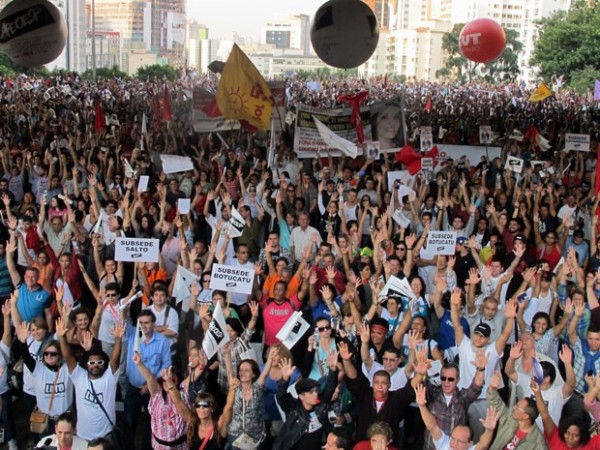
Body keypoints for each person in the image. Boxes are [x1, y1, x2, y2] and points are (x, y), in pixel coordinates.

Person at [56, 316, 124, 442]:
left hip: (106, 436)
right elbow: (68, 357)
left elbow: (115, 360)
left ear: (104, 364)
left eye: (99, 362)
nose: (95, 365)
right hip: (83, 437)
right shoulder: (79, 376)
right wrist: (62, 337)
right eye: (92, 363)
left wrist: (118, 339)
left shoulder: (109, 378)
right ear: (87, 365)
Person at [273, 352, 339, 450]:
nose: (315, 394)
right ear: (301, 396)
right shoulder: (293, 409)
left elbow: (330, 386)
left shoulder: (320, 403)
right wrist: (285, 379)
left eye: (316, 391)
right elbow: (281, 397)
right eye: (311, 392)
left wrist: (333, 369)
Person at [416, 384, 498, 450]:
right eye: (453, 439)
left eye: (460, 441)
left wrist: (489, 430)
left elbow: (483, 445)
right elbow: (432, 426)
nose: (455, 444)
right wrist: (422, 406)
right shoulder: (444, 444)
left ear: (470, 444)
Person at [532, 376, 600, 449]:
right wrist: (537, 392)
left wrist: (596, 388)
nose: (570, 438)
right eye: (567, 433)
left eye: (575, 435)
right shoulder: (555, 437)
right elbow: (544, 414)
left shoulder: (591, 445)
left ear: (582, 435)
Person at [486, 370, 547, 450]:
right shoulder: (510, 417)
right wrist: (492, 388)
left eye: (517, 407)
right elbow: (496, 403)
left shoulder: (538, 443)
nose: (514, 407)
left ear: (525, 416)